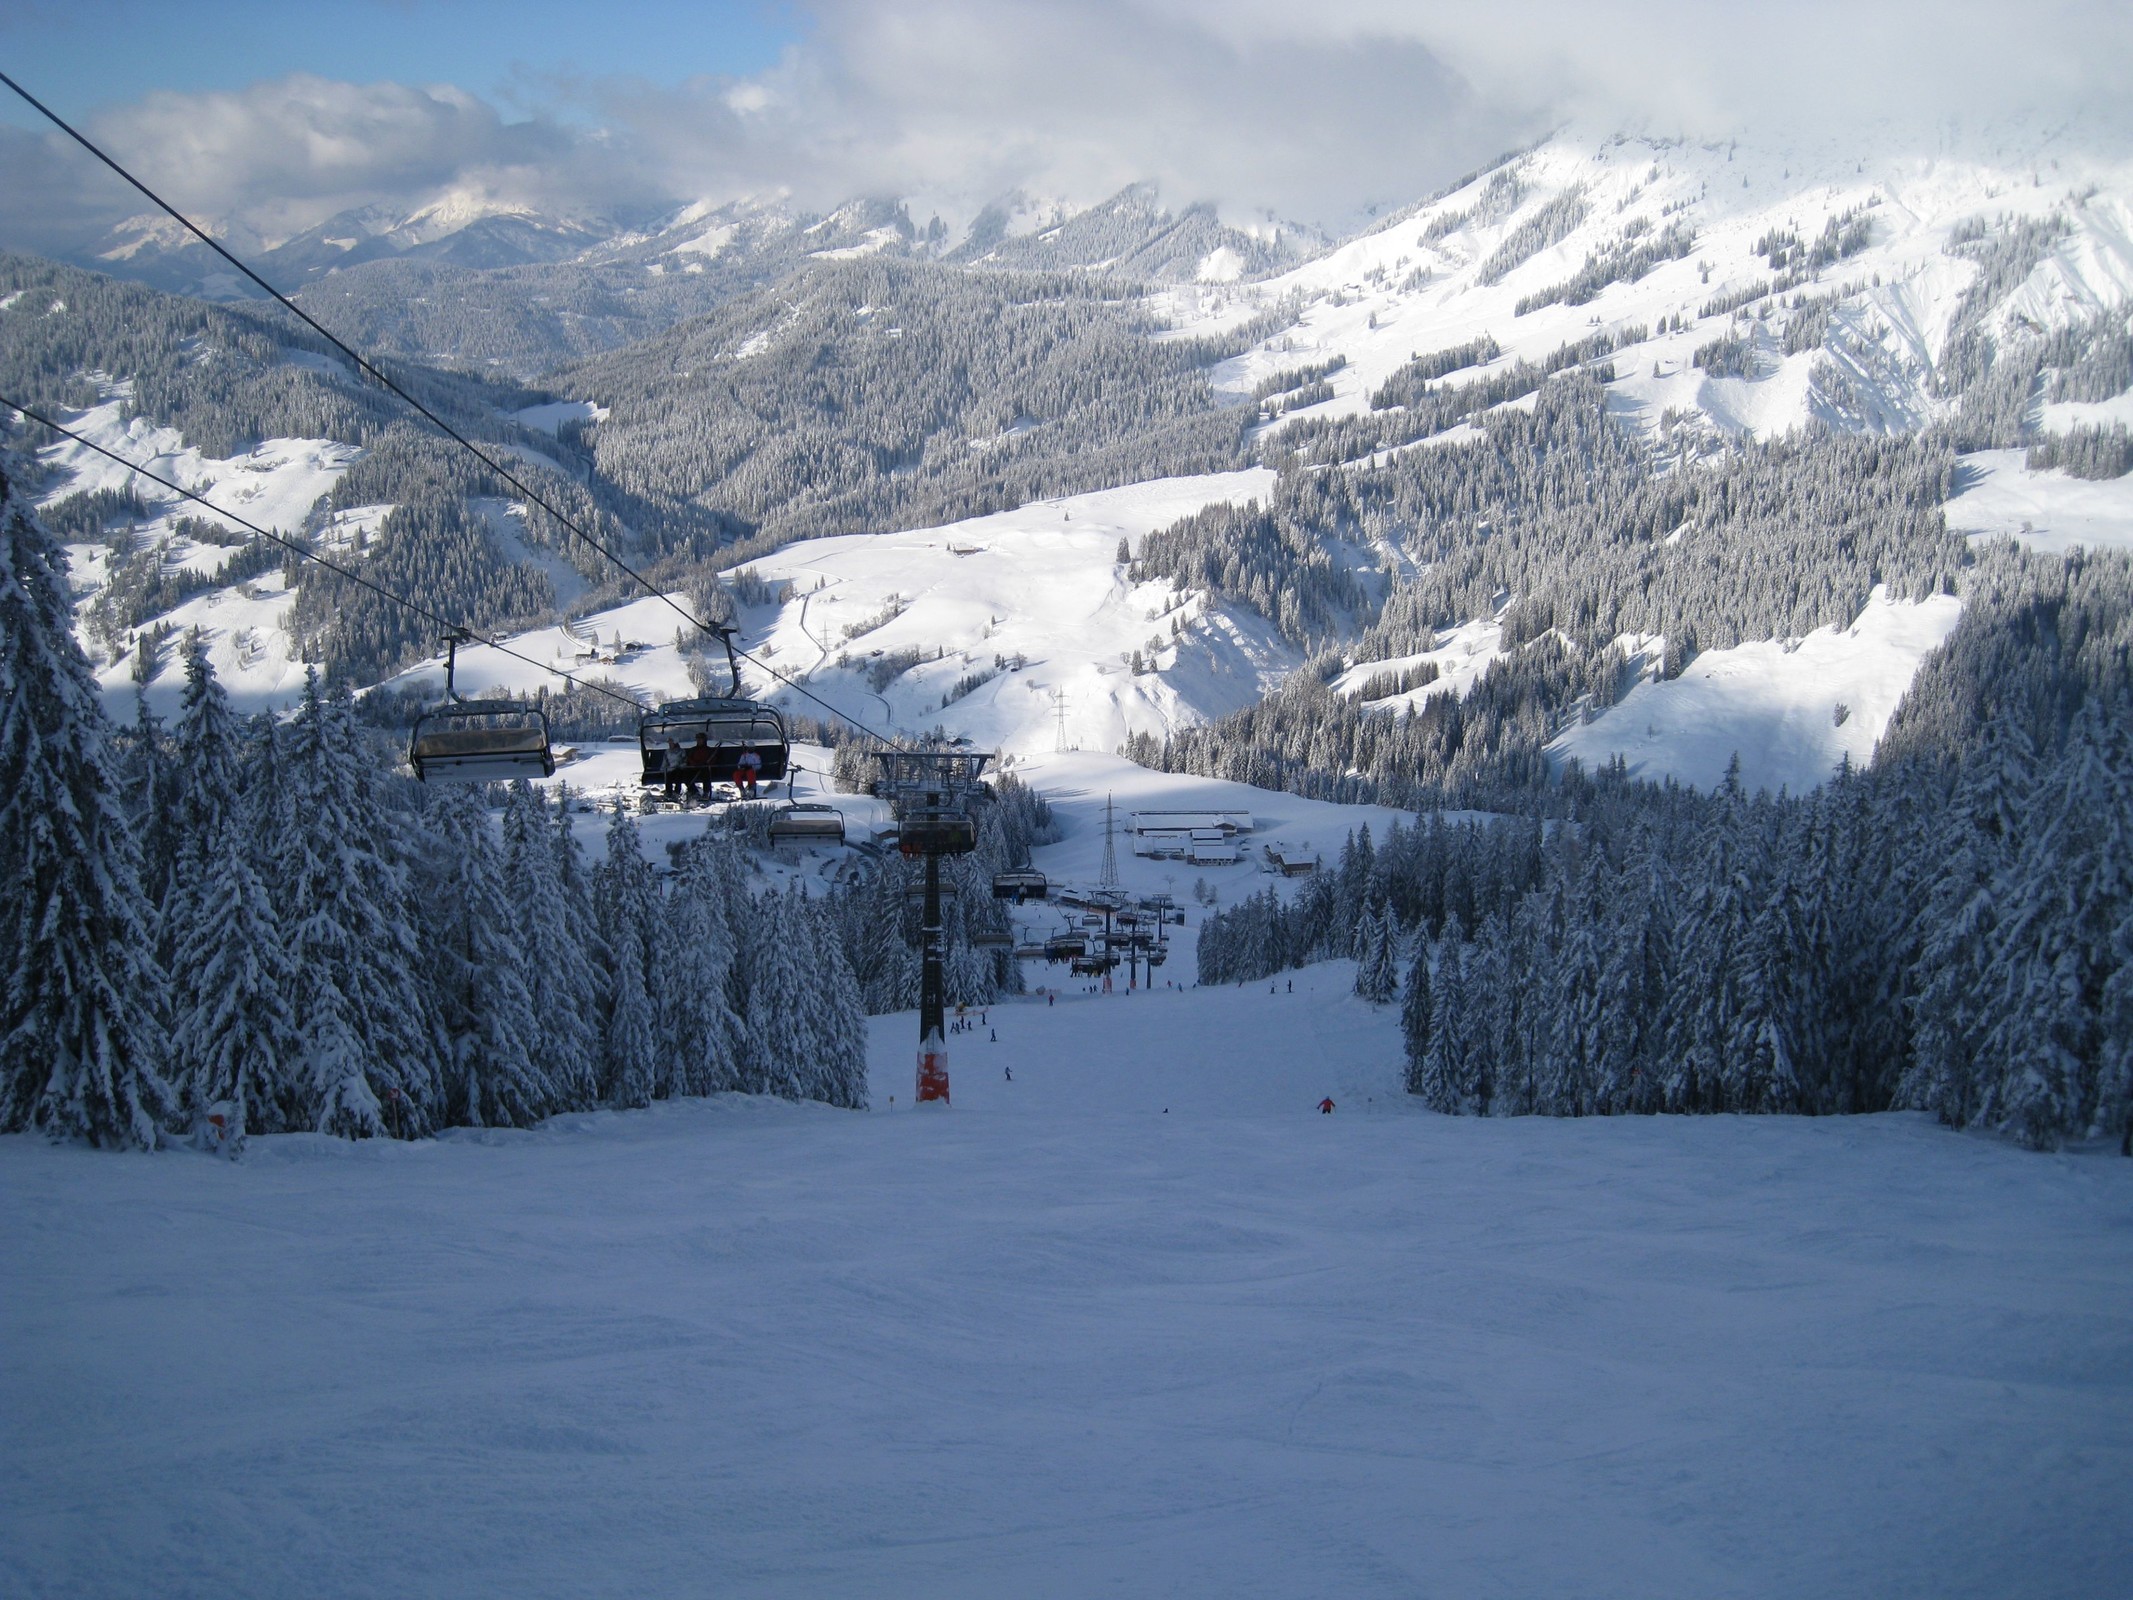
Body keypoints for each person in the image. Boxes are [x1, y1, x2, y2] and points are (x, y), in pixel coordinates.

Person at [684, 731, 715, 799]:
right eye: (697, 739)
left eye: (700, 739)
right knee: (686, 776)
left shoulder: (709, 750)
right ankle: (694, 792)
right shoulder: (693, 749)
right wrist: (694, 764)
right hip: (694, 768)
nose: (699, 741)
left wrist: (706, 764)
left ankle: (706, 792)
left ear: (704, 740)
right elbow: (689, 759)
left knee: (706, 775)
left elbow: (712, 760)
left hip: (704, 768)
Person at [662, 736, 685, 801]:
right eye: (669, 743)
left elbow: (684, 761)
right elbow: (665, 761)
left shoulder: (681, 751)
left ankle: (677, 792)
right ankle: (669, 792)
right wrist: (663, 768)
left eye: (671, 743)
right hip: (670, 769)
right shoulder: (667, 752)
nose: (670, 745)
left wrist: (681, 766)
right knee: (668, 776)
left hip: (679, 769)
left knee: (678, 775)